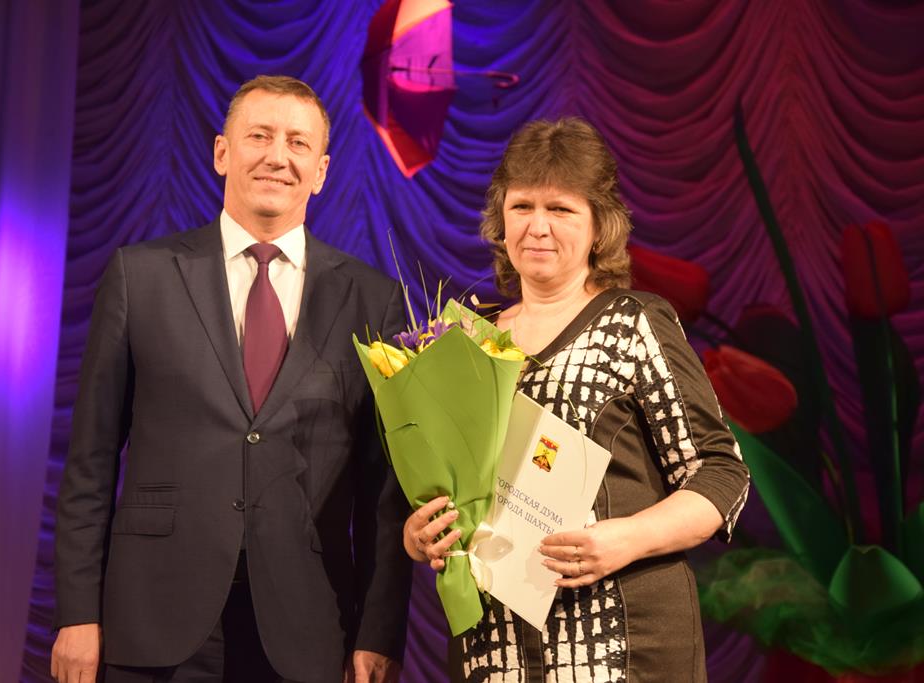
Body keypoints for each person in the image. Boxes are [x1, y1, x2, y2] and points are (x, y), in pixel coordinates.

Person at [51, 75, 411, 683]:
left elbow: (386, 492)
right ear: (222, 152)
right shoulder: (142, 276)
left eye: (298, 143)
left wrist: (378, 632)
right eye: (259, 136)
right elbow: (90, 462)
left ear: (321, 171)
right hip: (154, 620)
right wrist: (78, 613)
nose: (278, 156)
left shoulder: (373, 301)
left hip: (307, 628)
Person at [403, 118, 750, 682]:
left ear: (599, 227)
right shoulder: (464, 341)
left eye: (560, 209)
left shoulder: (634, 324)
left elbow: (721, 473)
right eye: (522, 206)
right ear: (500, 219)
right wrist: (422, 534)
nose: (537, 226)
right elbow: (449, 490)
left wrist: (625, 539)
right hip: (498, 651)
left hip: (621, 645)